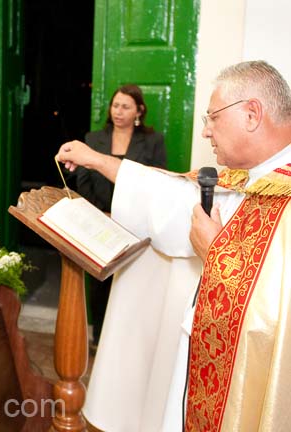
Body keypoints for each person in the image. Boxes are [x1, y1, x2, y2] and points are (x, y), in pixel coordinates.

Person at [57, 60, 291, 431]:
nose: (206, 132)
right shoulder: (246, 180)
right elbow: (167, 195)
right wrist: (97, 161)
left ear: (251, 114)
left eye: (213, 118)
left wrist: (218, 255)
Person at [72, 84, 167, 345]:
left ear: (139, 110)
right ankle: (99, 337)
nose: (119, 111)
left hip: (135, 226)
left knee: (132, 283)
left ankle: (126, 340)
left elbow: (156, 181)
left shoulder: (153, 141)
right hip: (99, 222)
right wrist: (102, 214)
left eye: (126, 106)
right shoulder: (93, 140)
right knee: (99, 285)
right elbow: (83, 181)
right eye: (115, 105)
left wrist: (127, 214)